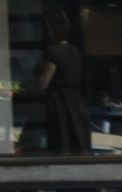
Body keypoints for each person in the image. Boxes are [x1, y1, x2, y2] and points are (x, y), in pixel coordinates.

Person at [31, 9, 90, 154]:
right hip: (75, 102)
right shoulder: (74, 51)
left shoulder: (52, 51)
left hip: (58, 103)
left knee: (60, 142)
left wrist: (26, 86)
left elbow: (44, 82)